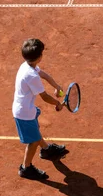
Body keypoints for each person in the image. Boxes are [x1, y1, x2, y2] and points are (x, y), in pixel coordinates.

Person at [13, 38, 68, 180]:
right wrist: (57, 103)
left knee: (35, 133)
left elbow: (43, 74)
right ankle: (26, 168)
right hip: (24, 113)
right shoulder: (31, 76)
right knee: (33, 141)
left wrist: (57, 87)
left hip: (27, 109)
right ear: (40, 57)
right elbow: (44, 96)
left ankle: (46, 150)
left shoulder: (27, 66)